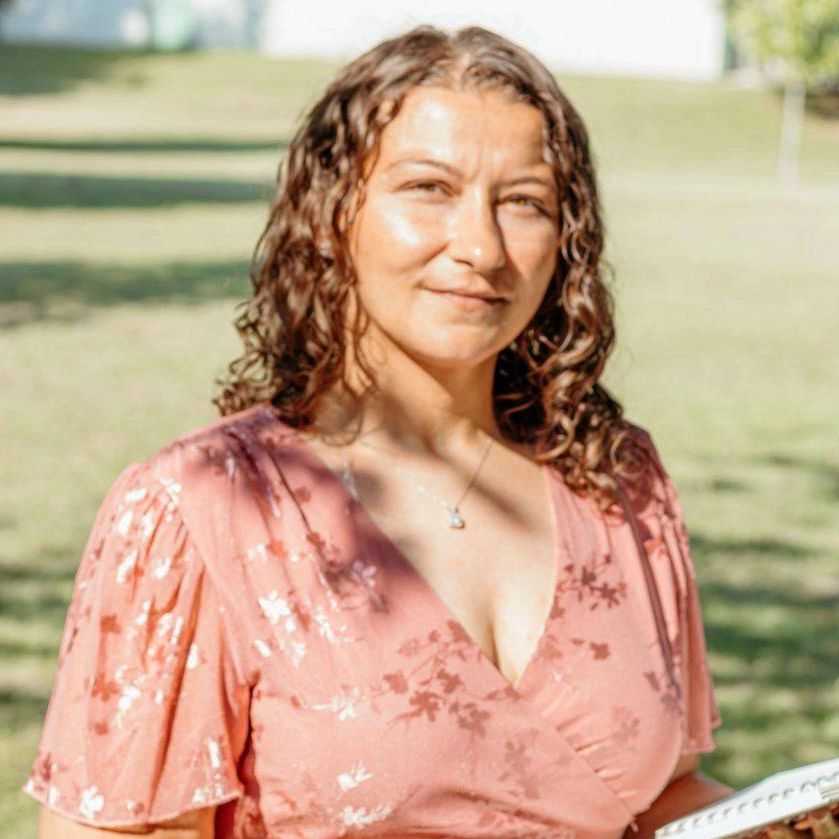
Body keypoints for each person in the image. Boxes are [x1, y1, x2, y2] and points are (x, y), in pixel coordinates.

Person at [21, 23, 838, 839]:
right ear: (332, 213)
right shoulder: (197, 511)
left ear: (567, 242)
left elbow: (653, 793)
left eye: (523, 203)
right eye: (427, 189)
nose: (480, 247)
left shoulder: (619, 481)